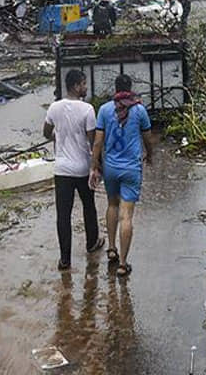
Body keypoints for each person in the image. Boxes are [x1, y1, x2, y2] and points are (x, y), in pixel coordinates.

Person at [92, 73, 154, 278]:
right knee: (126, 215)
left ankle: (111, 248)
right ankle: (123, 263)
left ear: (115, 89)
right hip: (131, 169)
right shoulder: (139, 110)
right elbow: (147, 138)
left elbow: (98, 142)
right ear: (131, 88)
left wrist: (95, 165)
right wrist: (150, 155)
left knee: (111, 205)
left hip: (110, 168)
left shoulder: (104, 110)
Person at [44, 70, 104, 270]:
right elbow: (93, 141)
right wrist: (97, 166)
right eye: (84, 84)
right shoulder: (87, 109)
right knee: (89, 207)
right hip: (82, 168)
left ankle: (65, 260)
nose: (86, 87)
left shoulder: (54, 107)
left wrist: (59, 137)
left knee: (63, 214)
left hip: (61, 169)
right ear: (77, 86)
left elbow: (46, 132)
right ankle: (92, 243)